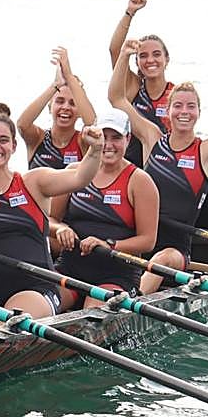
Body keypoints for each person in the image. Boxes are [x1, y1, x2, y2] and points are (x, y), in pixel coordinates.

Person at [110, 40, 208, 293]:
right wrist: (123, 55)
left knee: (160, 260)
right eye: (178, 105)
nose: (184, 112)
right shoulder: (152, 138)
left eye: (190, 106)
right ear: (168, 111)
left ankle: (130, 306)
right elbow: (117, 98)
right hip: (138, 240)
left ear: (198, 112)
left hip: (175, 251)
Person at [0, 111, 104, 329]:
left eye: (3, 140)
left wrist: (96, 149)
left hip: (36, 286)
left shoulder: (34, 182)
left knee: (8, 327)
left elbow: (80, 177)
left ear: (14, 146)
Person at [52, 109, 159, 309]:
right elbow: (50, 219)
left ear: (127, 139)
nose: (108, 145)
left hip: (117, 274)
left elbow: (148, 241)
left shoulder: (140, 181)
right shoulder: (73, 172)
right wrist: (60, 229)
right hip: (70, 268)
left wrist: (109, 244)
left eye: (116, 137)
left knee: (89, 321)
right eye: (103, 137)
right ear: (93, 139)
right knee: (40, 307)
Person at [108, 0, 175, 166]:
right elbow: (115, 50)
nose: (150, 60)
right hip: (131, 166)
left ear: (167, 59)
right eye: (143, 56)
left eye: (157, 54)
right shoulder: (133, 87)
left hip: (163, 165)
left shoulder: (176, 94)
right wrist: (129, 12)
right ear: (136, 61)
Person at [16, 46, 96, 172]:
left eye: (72, 103)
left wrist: (69, 76)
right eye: (59, 101)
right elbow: (22, 124)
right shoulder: (38, 138)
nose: (65, 107)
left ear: (80, 111)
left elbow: (93, 125)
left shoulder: (83, 141)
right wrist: (55, 85)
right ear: (49, 107)